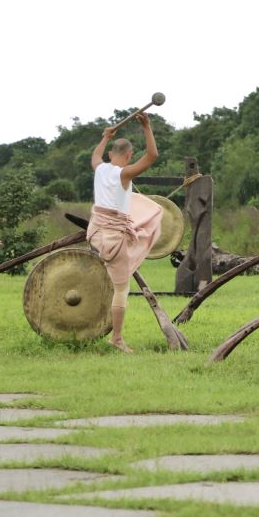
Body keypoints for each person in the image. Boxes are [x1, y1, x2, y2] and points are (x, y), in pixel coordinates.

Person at [88, 110, 161, 353]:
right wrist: (147, 127)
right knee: (121, 289)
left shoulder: (100, 168)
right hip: (112, 238)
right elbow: (152, 156)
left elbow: (95, 156)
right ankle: (116, 338)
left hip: (96, 232)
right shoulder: (125, 173)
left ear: (111, 154)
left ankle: (116, 336)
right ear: (129, 156)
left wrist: (105, 136)